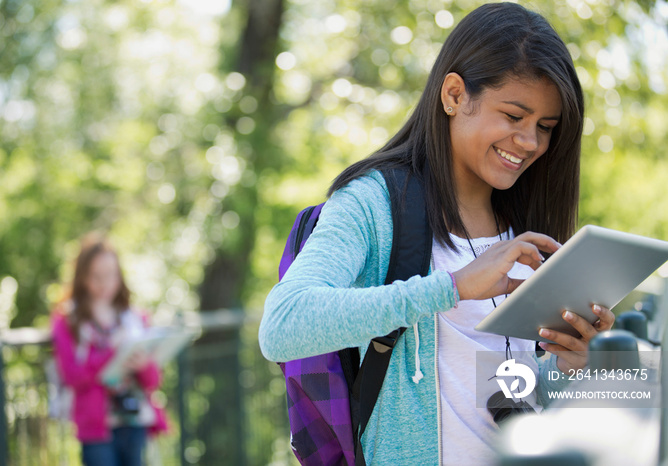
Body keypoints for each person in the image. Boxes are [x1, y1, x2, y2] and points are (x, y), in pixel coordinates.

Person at [259, 3, 615, 465]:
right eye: (513, 116)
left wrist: (578, 366)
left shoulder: (525, 223)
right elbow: (282, 326)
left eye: (544, 128)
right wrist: (452, 287)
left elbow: (515, 396)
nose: (530, 142)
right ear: (453, 95)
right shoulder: (374, 203)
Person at [51, 233, 167, 466]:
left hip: (135, 421)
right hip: (96, 428)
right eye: (97, 276)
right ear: (82, 276)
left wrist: (142, 365)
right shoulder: (68, 320)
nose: (105, 284)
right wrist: (112, 353)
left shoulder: (133, 318)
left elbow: (153, 380)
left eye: (111, 275)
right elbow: (73, 376)